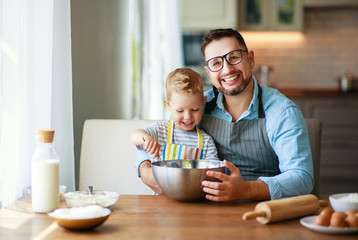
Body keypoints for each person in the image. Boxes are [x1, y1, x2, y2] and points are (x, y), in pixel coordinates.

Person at [136, 28, 314, 200]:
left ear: (250, 59)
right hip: (208, 209)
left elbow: (302, 178)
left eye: (234, 57)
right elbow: (166, 135)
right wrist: (144, 169)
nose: (227, 69)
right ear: (208, 73)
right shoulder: (198, 106)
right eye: (216, 63)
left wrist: (246, 190)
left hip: (262, 209)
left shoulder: (282, 112)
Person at [132, 68, 219, 193]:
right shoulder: (160, 130)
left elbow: (213, 172)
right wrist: (146, 140)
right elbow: (134, 135)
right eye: (180, 111)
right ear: (168, 105)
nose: (188, 117)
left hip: (193, 200)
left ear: (203, 103)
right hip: (160, 202)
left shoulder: (206, 141)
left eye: (194, 109)